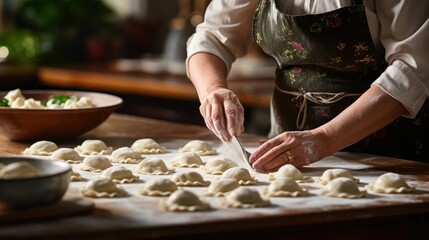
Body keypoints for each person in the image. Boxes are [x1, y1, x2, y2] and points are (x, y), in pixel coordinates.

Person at [186, 0, 429, 172]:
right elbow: (212, 38)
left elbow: (413, 67)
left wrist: (323, 139)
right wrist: (213, 89)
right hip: (286, 156)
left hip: (385, 156)